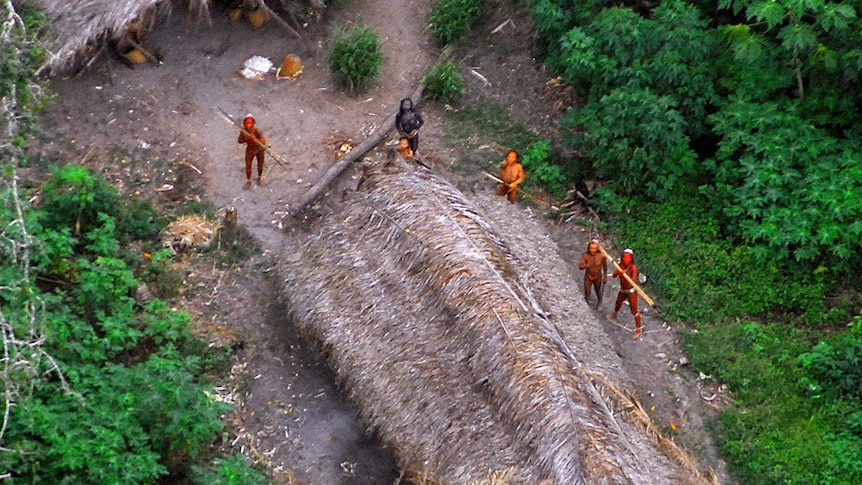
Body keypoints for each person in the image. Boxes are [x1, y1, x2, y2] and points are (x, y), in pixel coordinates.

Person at [609, 248, 642, 339]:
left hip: (631, 292)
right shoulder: (620, 265)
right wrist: (619, 271)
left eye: (628, 258)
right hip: (623, 290)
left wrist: (625, 273)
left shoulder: (633, 268)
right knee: (618, 302)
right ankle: (614, 313)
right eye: (625, 258)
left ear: (631, 259)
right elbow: (614, 275)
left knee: (634, 311)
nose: (626, 260)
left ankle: (638, 329)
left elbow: (633, 281)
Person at [237, 114, 267, 189]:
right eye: (247, 123)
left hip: (259, 150)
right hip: (250, 150)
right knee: (248, 167)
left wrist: (254, 139)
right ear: (244, 123)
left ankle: (259, 178)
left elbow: (263, 141)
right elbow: (239, 141)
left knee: (260, 165)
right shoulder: (243, 131)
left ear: (253, 123)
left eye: (250, 123)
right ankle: (248, 181)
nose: (249, 125)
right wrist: (246, 139)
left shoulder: (257, 131)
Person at [579, 239, 608, 311]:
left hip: (598, 276)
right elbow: (580, 267)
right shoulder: (585, 255)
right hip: (588, 276)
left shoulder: (601, 256)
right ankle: (586, 303)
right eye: (591, 248)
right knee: (587, 291)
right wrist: (587, 265)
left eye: (594, 248)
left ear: (597, 248)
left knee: (598, 290)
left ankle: (599, 302)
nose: (593, 250)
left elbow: (605, 266)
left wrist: (605, 276)